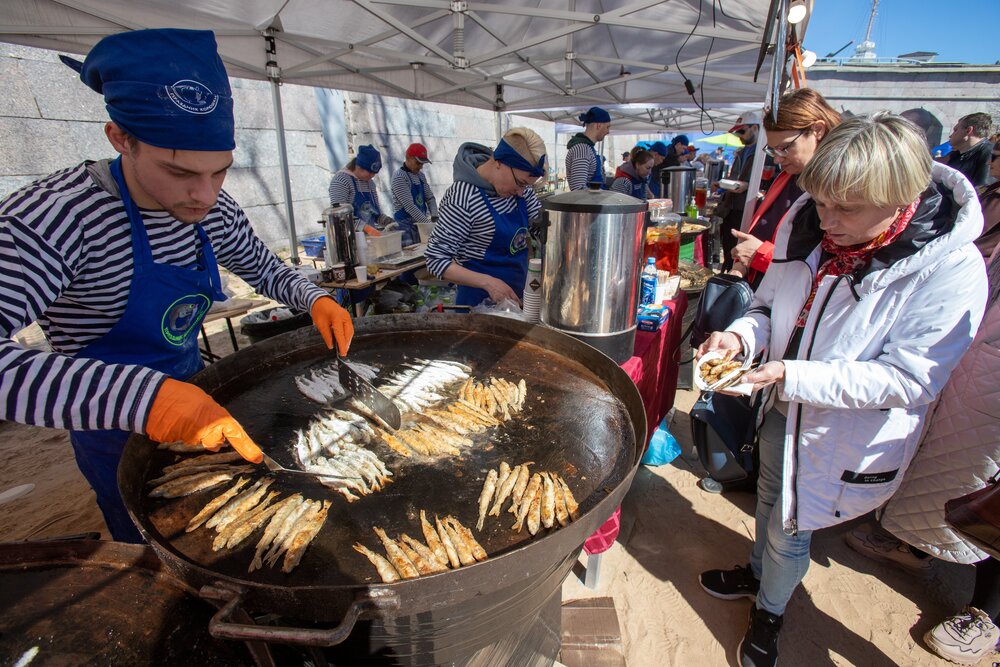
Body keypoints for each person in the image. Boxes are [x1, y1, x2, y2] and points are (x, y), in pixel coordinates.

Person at [0, 29, 354, 543]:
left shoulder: (213, 207)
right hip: (112, 428)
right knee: (155, 549)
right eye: (179, 171)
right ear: (120, 138)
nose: (204, 196)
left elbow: (262, 266)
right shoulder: (52, 219)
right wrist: (146, 399)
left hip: (200, 399)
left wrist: (313, 297)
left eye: (220, 172)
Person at [697, 113, 988, 667]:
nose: (828, 220)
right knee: (768, 496)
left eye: (847, 208)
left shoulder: (950, 266)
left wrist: (792, 375)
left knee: (790, 526)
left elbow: (911, 378)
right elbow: (768, 308)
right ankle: (758, 574)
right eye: (821, 202)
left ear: (901, 198)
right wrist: (740, 338)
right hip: (782, 406)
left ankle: (770, 612)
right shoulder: (809, 223)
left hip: (840, 429)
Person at [843, 238, 1000, 665]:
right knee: (954, 471)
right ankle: (915, 548)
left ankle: (988, 616)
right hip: (978, 370)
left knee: (994, 504)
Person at [729, 88, 842, 289]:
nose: (777, 159)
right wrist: (742, 265)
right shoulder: (789, 176)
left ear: (817, 130)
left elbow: (826, 265)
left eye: (785, 148)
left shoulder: (836, 187)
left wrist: (760, 255)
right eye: (772, 150)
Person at [425, 128, 545, 307]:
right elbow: (436, 259)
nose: (521, 192)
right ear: (500, 162)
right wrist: (489, 283)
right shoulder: (463, 197)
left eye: (527, 186)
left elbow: (542, 230)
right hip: (479, 305)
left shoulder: (522, 192)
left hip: (518, 299)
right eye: (520, 183)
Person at [713, 112, 774, 271]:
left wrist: (749, 186)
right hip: (732, 209)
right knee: (729, 250)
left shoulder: (766, 153)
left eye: (741, 131)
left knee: (740, 254)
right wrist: (723, 185)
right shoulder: (741, 152)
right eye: (737, 132)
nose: (739, 136)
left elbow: (769, 183)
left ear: (755, 128)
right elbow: (735, 177)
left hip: (749, 210)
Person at [328, 144, 391, 235]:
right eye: (370, 172)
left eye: (374, 173)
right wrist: (365, 228)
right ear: (359, 167)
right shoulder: (341, 180)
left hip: (369, 238)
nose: (372, 176)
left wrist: (387, 221)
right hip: (349, 237)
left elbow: (374, 213)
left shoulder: (370, 183)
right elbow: (339, 215)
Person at [391, 142, 438, 246]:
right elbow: (410, 206)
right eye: (418, 163)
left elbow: (430, 198)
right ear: (408, 158)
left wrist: (434, 216)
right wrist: (428, 225)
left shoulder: (421, 176)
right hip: (405, 228)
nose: (421, 167)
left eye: (422, 164)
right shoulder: (399, 177)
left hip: (420, 226)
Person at [565, 107, 610, 190]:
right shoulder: (582, 150)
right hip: (587, 199)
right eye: (607, 127)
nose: (608, 132)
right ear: (599, 125)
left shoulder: (588, 148)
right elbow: (578, 189)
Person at [945, 112, 994, 187]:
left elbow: (981, 188)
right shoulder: (956, 153)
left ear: (968, 130)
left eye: (955, 130)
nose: (950, 135)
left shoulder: (988, 153)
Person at [973, 143, 1000, 257]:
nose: (989, 162)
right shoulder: (993, 188)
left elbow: (975, 234)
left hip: (976, 262)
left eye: (994, 157)